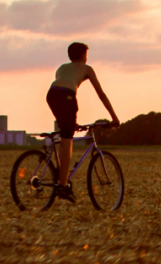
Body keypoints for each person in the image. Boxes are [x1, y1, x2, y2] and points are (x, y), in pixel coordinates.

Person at [46, 42, 120, 204]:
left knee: (66, 133)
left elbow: (61, 87)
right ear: (81, 56)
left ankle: (60, 175)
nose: (87, 58)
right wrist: (114, 117)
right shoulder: (87, 69)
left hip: (51, 94)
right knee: (67, 141)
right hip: (67, 95)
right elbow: (101, 94)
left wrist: (72, 122)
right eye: (86, 55)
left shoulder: (61, 68)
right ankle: (63, 185)